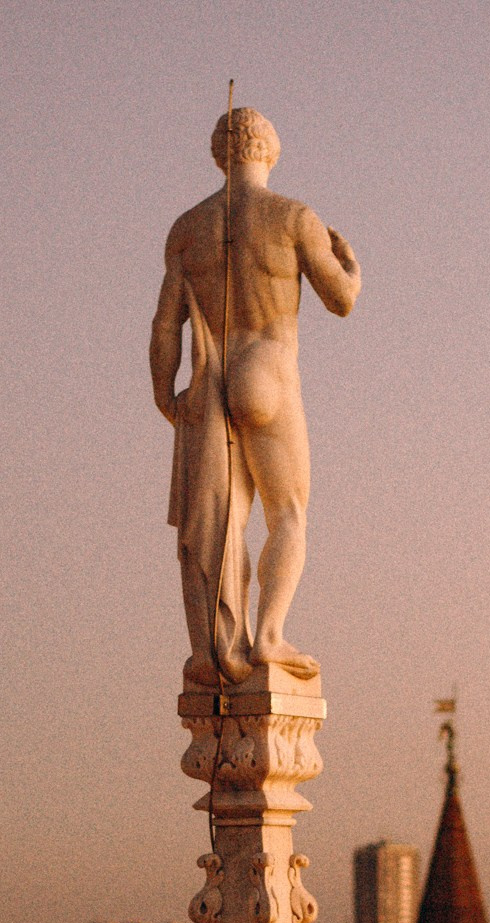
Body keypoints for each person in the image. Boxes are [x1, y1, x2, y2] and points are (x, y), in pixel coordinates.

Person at [151, 107, 361, 686]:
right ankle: (268, 635)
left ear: (221, 154)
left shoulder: (187, 228)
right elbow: (340, 299)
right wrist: (351, 264)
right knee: (287, 513)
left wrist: (164, 392)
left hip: (208, 378)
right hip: (266, 371)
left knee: (220, 523)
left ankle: (220, 644)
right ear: (270, 150)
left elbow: (166, 325)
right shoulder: (292, 216)